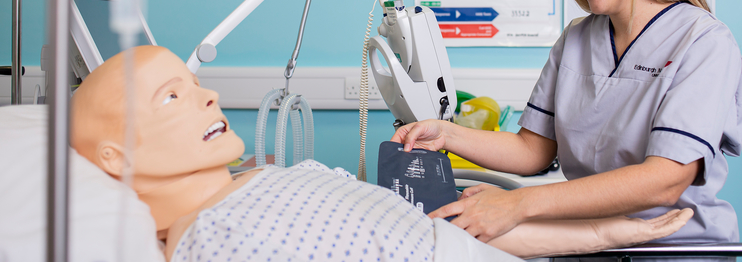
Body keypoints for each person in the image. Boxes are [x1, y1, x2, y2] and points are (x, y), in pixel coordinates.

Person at [70, 45, 692, 262]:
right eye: (173, 96)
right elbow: (529, 157)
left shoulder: (283, 178)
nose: (209, 96)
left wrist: (608, 232)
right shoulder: (212, 235)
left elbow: (437, 236)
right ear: (114, 155)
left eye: (195, 82)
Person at [392, 0, 742, 252]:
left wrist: (518, 205)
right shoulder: (577, 39)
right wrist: (446, 134)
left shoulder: (703, 41)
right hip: (581, 242)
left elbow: (666, 179)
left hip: (673, 249)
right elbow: (533, 150)